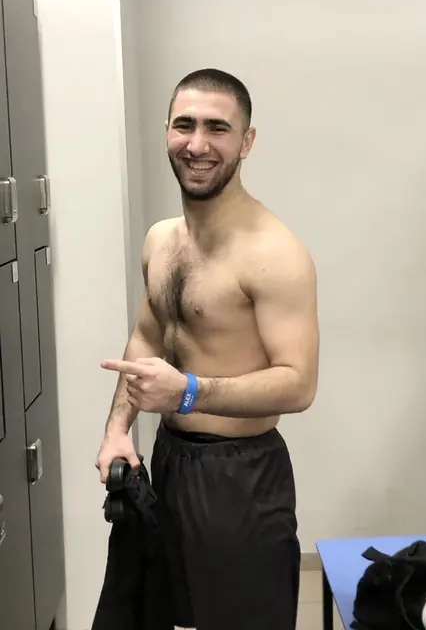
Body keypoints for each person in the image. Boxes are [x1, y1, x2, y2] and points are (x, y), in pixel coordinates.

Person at [96, 68, 319, 630]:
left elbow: (298, 383)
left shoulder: (274, 252)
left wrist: (189, 392)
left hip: (241, 478)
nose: (197, 144)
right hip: (168, 461)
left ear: (247, 141)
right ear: (167, 131)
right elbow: (148, 336)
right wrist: (117, 429)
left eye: (218, 128)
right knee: (152, 614)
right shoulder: (160, 240)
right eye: (185, 125)